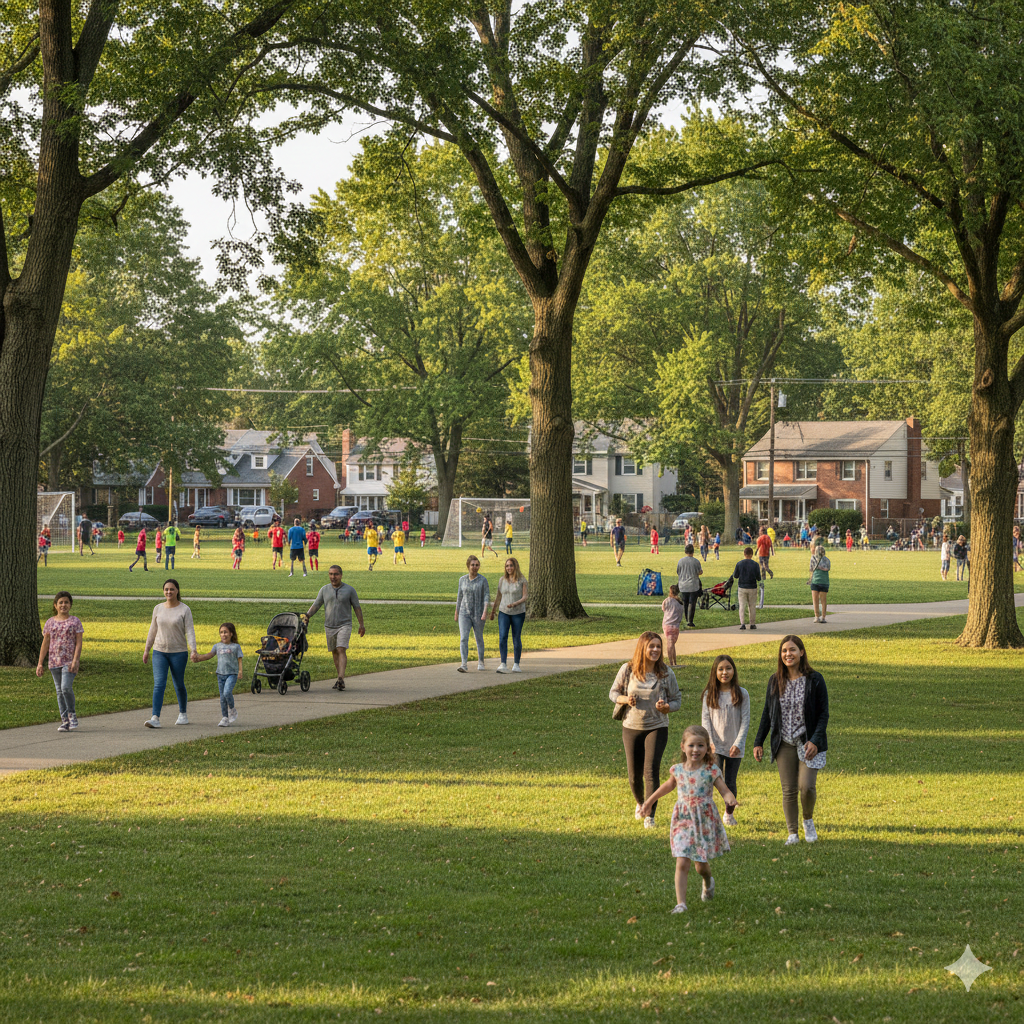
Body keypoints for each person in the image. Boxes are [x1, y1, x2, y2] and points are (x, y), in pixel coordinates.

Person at [641, 724, 736, 913]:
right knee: (682, 860)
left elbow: (724, 790)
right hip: (682, 820)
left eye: (701, 746)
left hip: (703, 822)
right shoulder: (677, 770)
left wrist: (730, 798)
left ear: (707, 748)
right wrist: (649, 801)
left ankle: (708, 881)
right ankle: (681, 904)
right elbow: (667, 787)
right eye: (691, 745)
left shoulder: (711, 770)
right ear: (683, 747)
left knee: (701, 867)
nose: (696, 750)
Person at [752, 635, 828, 845]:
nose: (788, 654)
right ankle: (792, 833)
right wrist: (758, 742)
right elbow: (768, 713)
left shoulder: (815, 679)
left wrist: (814, 740)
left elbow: (824, 714)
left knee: (806, 787)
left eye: (792, 650)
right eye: (784, 651)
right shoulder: (775, 680)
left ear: (801, 652)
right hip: (783, 741)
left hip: (807, 742)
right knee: (788, 790)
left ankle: (808, 821)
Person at [609, 632, 682, 829]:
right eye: (651, 646)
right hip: (631, 726)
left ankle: (649, 814)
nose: (656, 650)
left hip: (657, 726)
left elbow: (677, 700)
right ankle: (640, 803)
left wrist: (667, 707)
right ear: (643, 648)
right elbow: (613, 692)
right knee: (634, 775)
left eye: (658, 646)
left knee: (651, 771)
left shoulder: (666, 673)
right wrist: (625, 699)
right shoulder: (627, 670)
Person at [700, 655, 749, 826]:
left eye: (728, 668)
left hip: (734, 747)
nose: (724, 672)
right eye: (720, 669)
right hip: (715, 747)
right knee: (712, 779)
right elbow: (705, 721)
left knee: (730, 781)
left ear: (733, 670)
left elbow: (745, 721)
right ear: (715, 672)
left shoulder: (742, 694)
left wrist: (738, 743)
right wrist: (710, 743)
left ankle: (728, 814)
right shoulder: (709, 694)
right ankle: (709, 815)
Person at [143, 579, 197, 728]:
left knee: (178, 684)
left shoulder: (184, 609)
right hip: (159, 652)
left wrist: (193, 649)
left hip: (178, 652)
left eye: (172, 589)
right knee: (159, 684)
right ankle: (155, 717)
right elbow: (152, 630)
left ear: (177, 591)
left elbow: (190, 631)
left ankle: (183, 714)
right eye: (166, 589)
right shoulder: (158, 608)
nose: (169, 592)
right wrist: (147, 650)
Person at [304, 565, 366, 691]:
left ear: (341, 575)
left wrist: (361, 625)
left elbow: (357, 607)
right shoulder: (324, 589)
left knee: (341, 649)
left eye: (336, 574)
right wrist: (307, 615)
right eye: (331, 574)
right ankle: (339, 678)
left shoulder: (350, 590)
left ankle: (341, 678)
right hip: (329, 626)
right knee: (334, 652)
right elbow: (316, 605)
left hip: (345, 624)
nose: (333, 577)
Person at [36, 590, 84, 732]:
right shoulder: (50, 622)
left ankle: (72, 714)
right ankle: (64, 721)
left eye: (66, 602)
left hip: (69, 661)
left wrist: (76, 660)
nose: (63, 605)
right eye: (61, 602)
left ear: (70, 605)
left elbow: (79, 643)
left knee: (65, 688)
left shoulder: (75, 621)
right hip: (54, 662)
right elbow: (45, 643)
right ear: (55, 605)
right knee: (59, 691)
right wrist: (40, 663)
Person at [193, 622, 243, 727]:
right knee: (222, 698)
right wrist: (198, 658)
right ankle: (225, 718)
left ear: (231, 634)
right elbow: (209, 655)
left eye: (226, 632)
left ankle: (232, 709)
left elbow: (239, 659)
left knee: (227, 692)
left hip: (232, 674)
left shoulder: (235, 646)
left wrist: (240, 671)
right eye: (221, 632)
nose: (223, 634)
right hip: (220, 675)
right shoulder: (217, 646)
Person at [490, 556, 528, 673]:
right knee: (502, 637)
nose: (509, 568)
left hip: (518, 613)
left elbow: (525, 596)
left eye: (511, 565)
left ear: (515, 566)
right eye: (507, 566)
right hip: (503, 612)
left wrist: (515, 604)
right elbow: (499, 596)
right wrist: (493, 611)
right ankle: (503, 663)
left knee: (516, 637)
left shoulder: (522, 580)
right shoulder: (502, 580)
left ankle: (516, 664)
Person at [455, 555, 490, 672]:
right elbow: (459, 597)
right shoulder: (462, 580)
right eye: (472, 565)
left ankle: (481, 661)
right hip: (464, 613)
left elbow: (486, 596)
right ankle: (464, 664)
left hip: (479, 613)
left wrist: (485, 612)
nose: (475, 567)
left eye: (477, 565)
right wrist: (457, 612)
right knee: (464, 638)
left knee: (478, 637)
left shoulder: (483, 580)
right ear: (468, 566)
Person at [728, 546, 761, 629]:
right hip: (752, 587)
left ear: (744, 554)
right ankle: (752, 624)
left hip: (742, 587)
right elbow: (759, 578)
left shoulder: (739, 564)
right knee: (752, 606)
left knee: (742, 606)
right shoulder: (755, 565)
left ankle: (742, 624)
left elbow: (735, 575)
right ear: (752, 554)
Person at [675, 543, 703, 628]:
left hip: (683, 585)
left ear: (685, 551)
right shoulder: (696, 561)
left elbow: (678, 572)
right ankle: (690, 621)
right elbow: (699, 572)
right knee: (692, 603)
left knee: (685, 602)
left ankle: (686, 618)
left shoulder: (680, 561)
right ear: (693, 552)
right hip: (693, 585)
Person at [808, 539, 831, 623]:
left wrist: (820, 567)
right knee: (816, 600)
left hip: (823, 582)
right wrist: (810, 579)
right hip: (815, 581)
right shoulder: (813, 558)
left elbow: (827, 568)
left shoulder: (826, 560)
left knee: (822, 599)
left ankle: (823, 617)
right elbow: (811, 569)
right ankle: (817, 616)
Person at [661, 585, 684, 666]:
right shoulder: (680, 603)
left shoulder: (667, 601)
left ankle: (671, 663)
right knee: (672, 644)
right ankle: (675, 662)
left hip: (667, 625)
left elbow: (663, 609)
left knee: (669, 644)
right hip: (676, 626)